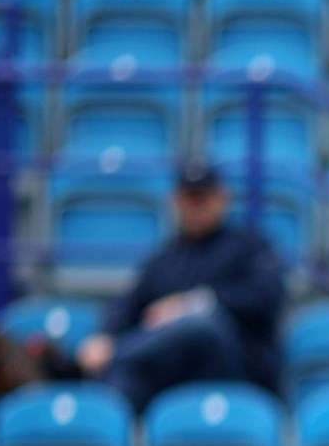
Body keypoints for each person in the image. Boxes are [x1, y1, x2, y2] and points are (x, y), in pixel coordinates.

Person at [62, 161, 286, 412]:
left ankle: (104, 358)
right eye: (189, 198)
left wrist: (191, 303)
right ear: (174, 202)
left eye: (203, 198)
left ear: (222, 199)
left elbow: (265, 296)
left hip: (238, 366)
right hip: (173, 372)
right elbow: (129, 304)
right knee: (122, 381)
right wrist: (105, 336)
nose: (195, 207)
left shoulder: (249, 246)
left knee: (199, 323)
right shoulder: (165, 259)